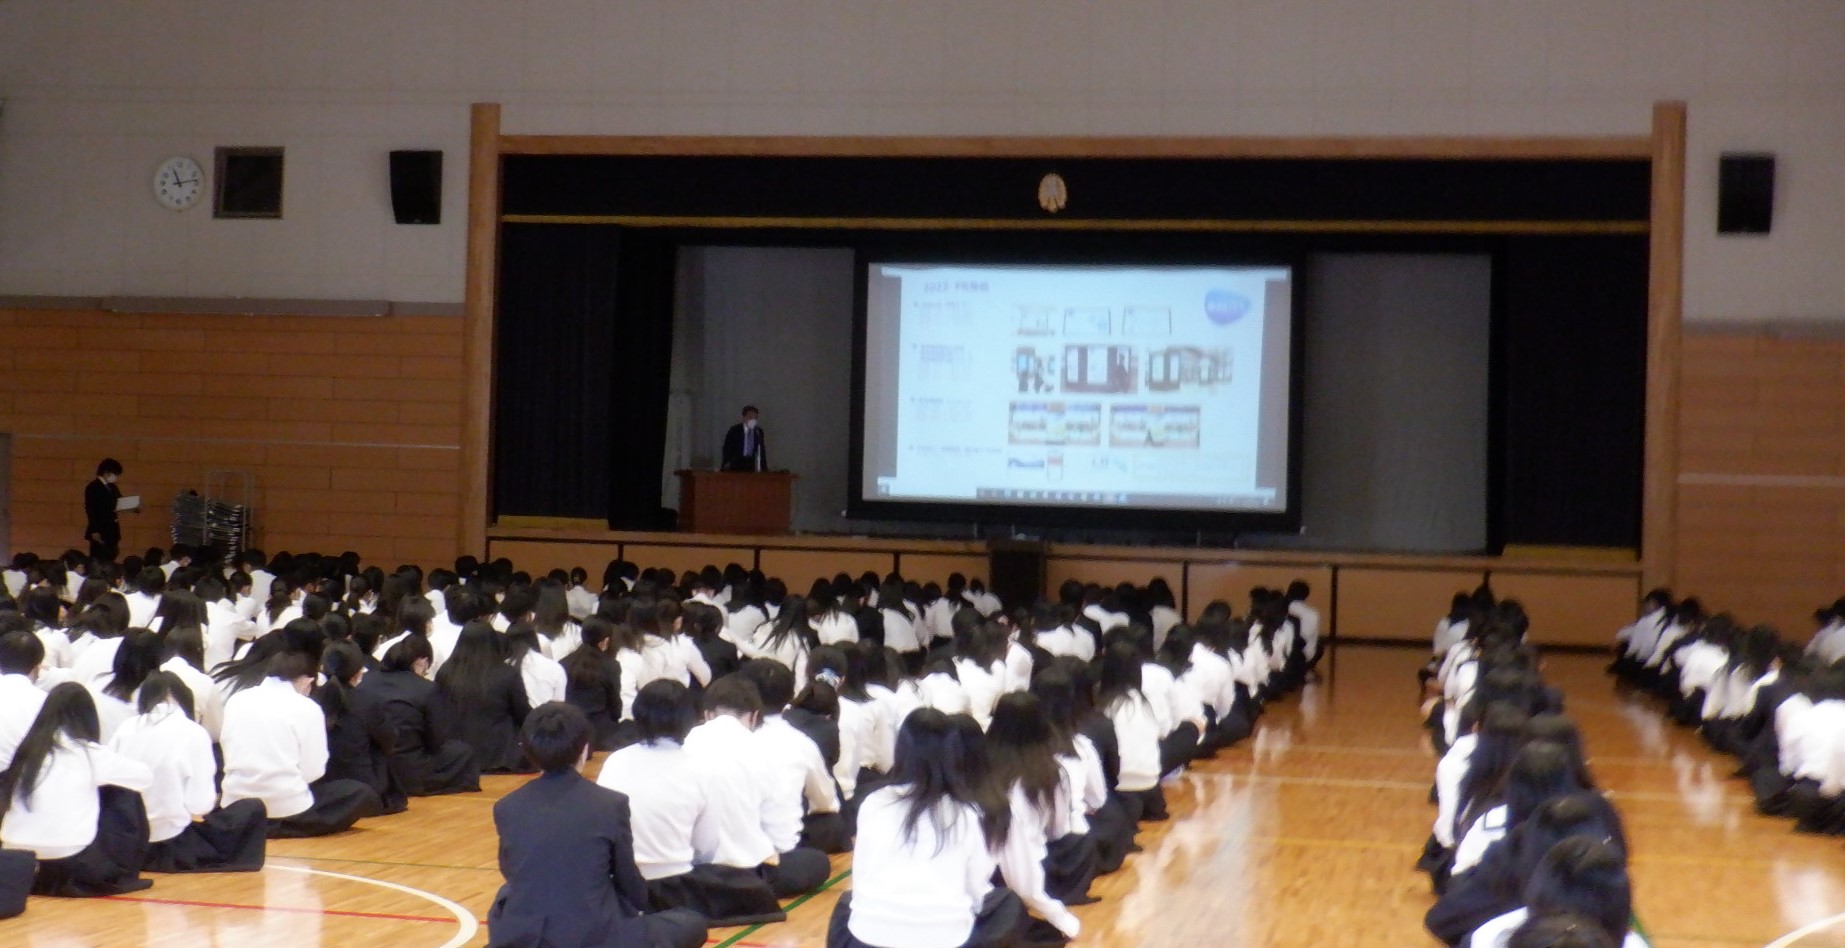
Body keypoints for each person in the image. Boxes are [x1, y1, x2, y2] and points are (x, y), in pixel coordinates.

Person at [487, 702, 709, 948]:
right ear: (584, 749)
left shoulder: (507, 806)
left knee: (507, 895)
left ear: (528, 750)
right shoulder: (609, 804)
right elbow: (628, 881)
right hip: (593, 936)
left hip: (524, 936)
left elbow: (511, 871)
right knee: (691, 922)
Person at [827, 708, 1028, 948]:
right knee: (1008, 905)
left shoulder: (874, 802)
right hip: (943, 940)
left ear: (901, 751)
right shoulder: (968, 814)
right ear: (953, 756)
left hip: (867, 941)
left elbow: (861, 876)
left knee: (844, 905)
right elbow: (975, 892)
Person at [0, 683, 154, 896]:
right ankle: (125, 870)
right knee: (125, 791)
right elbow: (144, 777)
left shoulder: (26, 751)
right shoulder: (88, 752)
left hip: (15, 856)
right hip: (70, 858)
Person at [109, 671, 268, 872]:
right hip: (173, 843)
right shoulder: (193, 732)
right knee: (252, 808)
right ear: (184, 697)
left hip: (128, 841)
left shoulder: (125, 728)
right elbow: (200, 805)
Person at [219, 651, 383, 838]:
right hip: (287, 808)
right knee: (359, 792)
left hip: (236, 805)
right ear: (306, 681)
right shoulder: (307, 707)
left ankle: (254, 825)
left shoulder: (237, 700)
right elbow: (314, 770)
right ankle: (281, 826)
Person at [84, 458, 130, 562]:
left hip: (112, 530)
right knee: (98, 558)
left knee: (111, 556)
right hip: (100, 529)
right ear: (106, 472)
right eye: (115, 474)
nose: (116, 477)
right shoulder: (93, 487)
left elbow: (120, 501)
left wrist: (133, 506)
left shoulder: (112, 487)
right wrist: (94, 530)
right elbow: (90, 509)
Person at [721, 405, 768, 473]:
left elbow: (761, 450)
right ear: (744, 417)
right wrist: (727, 463)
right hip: (735, 464)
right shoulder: (734, 430)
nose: (753, 420)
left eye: (755, 418)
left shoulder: (758, 431)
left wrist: (764, 468)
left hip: (751, 464)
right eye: (750, 417)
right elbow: (727, 448)